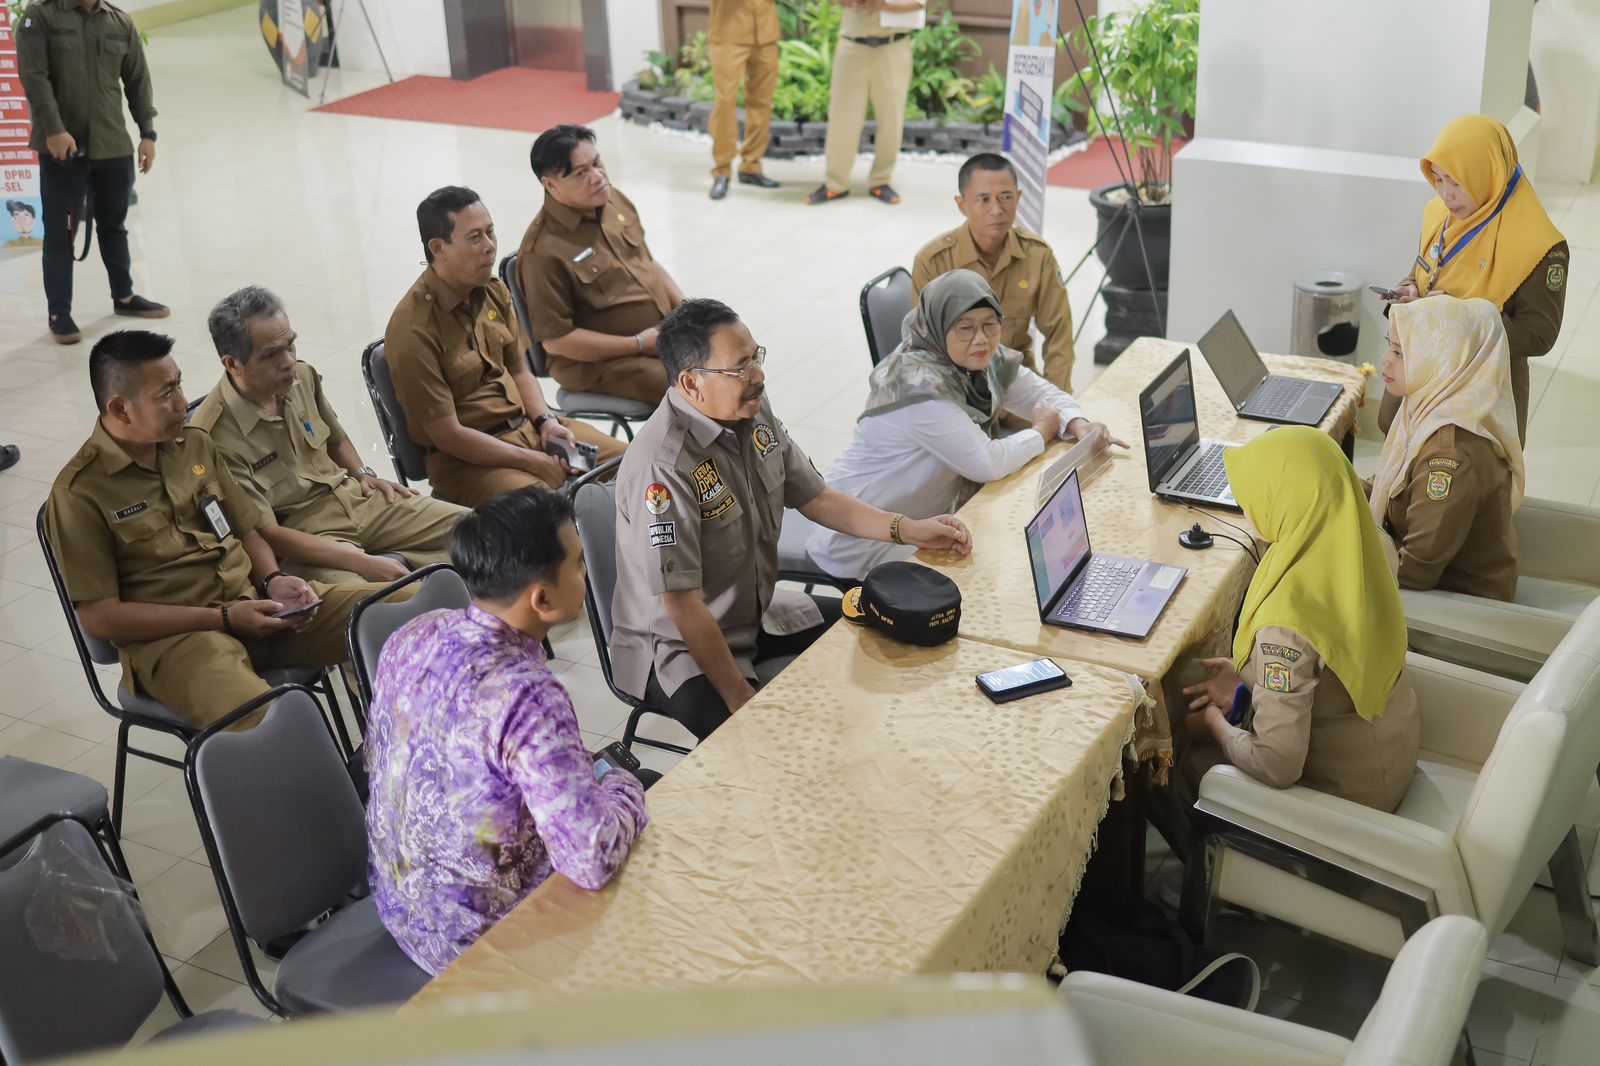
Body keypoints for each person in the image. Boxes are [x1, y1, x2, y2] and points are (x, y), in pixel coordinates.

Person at [610, 297, 973, 741]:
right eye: (740, 367)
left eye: (756, 357)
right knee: (762, 748)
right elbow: (682, 603)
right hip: (678, 648)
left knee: (878, 628)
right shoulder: (663, 467)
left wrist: (909, 529)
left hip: (753, 613)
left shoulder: (750, 410)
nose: (758, 376)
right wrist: (738, 695)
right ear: (692, 383)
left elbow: (816, 497)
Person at [366, 487, 648, 976]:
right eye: (579, 564)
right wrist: (625, 787)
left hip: (403, 909)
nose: (586, 574)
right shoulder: (527, 695)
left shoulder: (414, 634)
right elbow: (590, 858)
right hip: (483, 943)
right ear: (542, 598)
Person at [43, 331, 390, 728]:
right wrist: (223, 618)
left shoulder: (194, 445)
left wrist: (273, 579)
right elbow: (100, 619)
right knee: (278, 728)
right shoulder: (80, 494)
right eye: (166, 394)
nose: (182, 403)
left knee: (403, 612)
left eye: (179, 384)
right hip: (181, 645)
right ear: (120, 409)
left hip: (257, 608)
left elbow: (247, 530)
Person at [810, 269, 1121, 580]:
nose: (981, 338)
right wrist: (1041, 431)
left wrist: (1079, 424)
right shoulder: (920, 388)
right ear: (939, 325)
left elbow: (1042, 395)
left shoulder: (977, 360)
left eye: (990, 324)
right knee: (1002, 570)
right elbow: (988, 463)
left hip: (924, 522)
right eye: (965, 328)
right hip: (862, 539)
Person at [1179, 428, 1420, 813]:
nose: (1246, 509)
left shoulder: (1287, 624)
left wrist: (1214, 725)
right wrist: (1249, 677)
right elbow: (1330, 664)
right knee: (1191, 681)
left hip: (1347, 796)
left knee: (1173, 754)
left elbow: (1275, 764)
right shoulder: (1366, 544)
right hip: (1389, 750)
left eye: (1253, 498)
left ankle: (1212, 850)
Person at [194, 286, 469, 585]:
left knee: (479, 531)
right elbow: (267, 533)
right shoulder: (214, 436)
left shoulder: (302, 377)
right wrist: (364, 563)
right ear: (232, 363)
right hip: (305, 535)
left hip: (355, 499)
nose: (288, 361)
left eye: (290, 345)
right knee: (375, 597)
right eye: (272, 354)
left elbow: (336, 439)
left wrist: (362, 473)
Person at [387, 185, 624, 508]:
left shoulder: (493, 291)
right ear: (439, 248)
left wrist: (546, 422)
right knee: (547, 512)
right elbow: (448, 434)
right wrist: (529, 461)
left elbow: (519, 371)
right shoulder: (414, 329)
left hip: (528, 429)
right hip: (469, 462)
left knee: (636, 466)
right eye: (475, 237)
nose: (490, 246)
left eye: (490, 232)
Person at [1382, 114, 1568, 442]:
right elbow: (1423, 270)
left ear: (1488, 175)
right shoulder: (1439, 215)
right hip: (1420, 379)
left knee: (1456, 466)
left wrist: (1459, 316)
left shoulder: (1539, 245)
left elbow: (1539, 335)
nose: (1446, 194)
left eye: (1457, 183)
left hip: (1479, 399)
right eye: (1439, 178)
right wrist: (1407, 291)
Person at [16, 0, 168, 345]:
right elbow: (34, 78)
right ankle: (59, 312)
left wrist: (147, 133)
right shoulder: (41, 15)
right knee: (60, 233)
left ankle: (124, 296)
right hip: (61, 148)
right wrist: (54, 130)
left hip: (112, 144)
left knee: (114, 225)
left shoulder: (119, 22)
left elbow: (137, 80)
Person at [1370, 295, 1522, 602]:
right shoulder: (1429, 411)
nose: (1385, 360)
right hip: (1425, 580)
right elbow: (1392, 487)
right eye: (1390, 346)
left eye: (1399, 353)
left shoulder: (1449, 457)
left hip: (1455, 607)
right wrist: (1331, 487)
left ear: (1442, 361)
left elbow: (1414, 572)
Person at [518, 125, 683, 405]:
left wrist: (687, 311)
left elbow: (647, 263)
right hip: (602, 363)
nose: (597, 177)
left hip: (658, 339)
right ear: (551, 185)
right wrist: (638, 344)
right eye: (581, 173)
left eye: (597, 163)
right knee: (697, 388)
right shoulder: (542, 251)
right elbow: (558, 341)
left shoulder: (614, 201)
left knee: (734, 360)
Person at [912, 154, 1079, 390]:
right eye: (984, 199)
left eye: (1006, 197)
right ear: (962, 204)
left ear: (1018, 197)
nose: (996, 209)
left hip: (1016, 382)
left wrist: (1058, 399)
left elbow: (1059, 334)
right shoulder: (935, 262)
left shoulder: (1037, 256)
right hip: (957, 387)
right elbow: (924, 346)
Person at [805, 0, 927, 207]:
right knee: (842, 117)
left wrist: (882, 4)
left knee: (891, 117)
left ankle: (881, 180)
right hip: (852, 45)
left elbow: (917, 3)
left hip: (894, 46)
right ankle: (836, 183)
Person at [708, 0, 782, 200]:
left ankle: (751, 166)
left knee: (762, 102)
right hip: (729, 34)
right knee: (725, 103)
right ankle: (722, 171)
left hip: (766, 33)